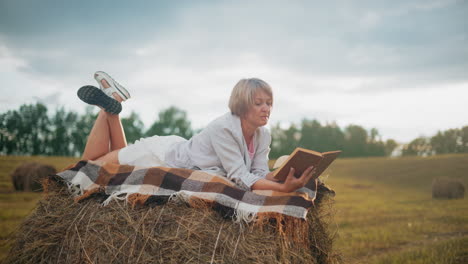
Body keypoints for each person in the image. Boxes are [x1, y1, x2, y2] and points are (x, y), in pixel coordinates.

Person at [77, 72, 316, 192]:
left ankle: (112, 107)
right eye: (259, 103)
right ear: (243, 105)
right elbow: (240, 176)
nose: (266, 108)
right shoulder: (223, 128)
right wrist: (282, 188)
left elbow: (259, 172)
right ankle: (107, 108)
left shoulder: (263, 135)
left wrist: (284, 175)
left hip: (180, 149)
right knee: (88, 166)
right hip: (158, 155)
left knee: (118, 154)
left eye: (269, 102)